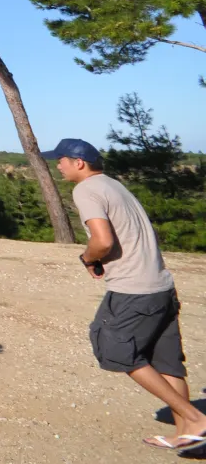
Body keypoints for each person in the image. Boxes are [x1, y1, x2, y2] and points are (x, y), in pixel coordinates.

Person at [44, 138, 205, 451]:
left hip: (133, 291)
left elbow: (102, 241)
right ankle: (186, 432)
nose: (58, 166)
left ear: (79, 163)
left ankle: (194, 417)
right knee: (167, 362)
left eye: (61, 160)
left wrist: (88, 258)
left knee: (115, 350)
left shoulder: (86, 189)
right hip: (161, 287)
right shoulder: (114, 185)